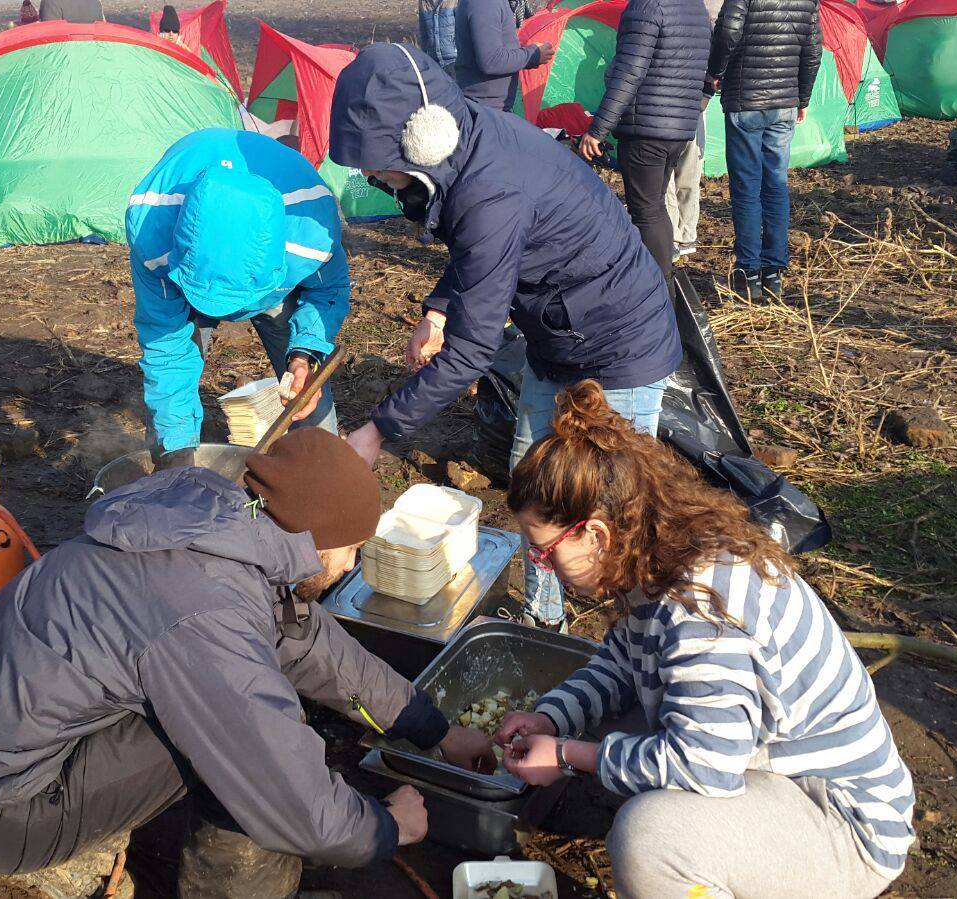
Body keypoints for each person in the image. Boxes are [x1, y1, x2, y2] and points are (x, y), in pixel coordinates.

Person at [0, 428, 495, 898]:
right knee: (250, 749)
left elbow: (309, 642)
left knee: (243, 702)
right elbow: (284, 788)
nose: (348, 567)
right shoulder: (204, 613)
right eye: (349, 551)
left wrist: (435, 730)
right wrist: (387, 827)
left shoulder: (218, 520)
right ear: (315, 542)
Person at [496, 381, 916, 898]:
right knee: (614, 722)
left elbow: (704, 767)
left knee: (650, 838)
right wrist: (552, 718)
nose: (540, 564)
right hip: (775, 774)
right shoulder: (652, 551)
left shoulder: (699, 608)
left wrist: (565, 755)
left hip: (843, 823)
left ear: (598, 534)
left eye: (544, 550)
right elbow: (623, 666)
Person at [329, 44, 683, 631]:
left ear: (423, 140)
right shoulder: (469, 146)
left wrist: (376, 431)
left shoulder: (489, 186)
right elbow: (482, 251)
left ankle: (642, 635)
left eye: (375, 165)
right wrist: (438, 311)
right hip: (558, 330)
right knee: (532, 474)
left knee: (610, 503)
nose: (372, 178)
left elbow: (471, 355)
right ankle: (545, 619)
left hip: (621, 341)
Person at [127, 129, 346, 455]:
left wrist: (305, 355)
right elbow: (165, 345)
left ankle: (316, 470)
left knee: (311, 416)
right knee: (170, 410)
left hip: (275, 291)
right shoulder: (152, 233)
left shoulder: (311, 231)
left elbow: (327, 292)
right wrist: (177, 460)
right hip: (186, 280)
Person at [576, 0, 711, 278]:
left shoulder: (647, 7)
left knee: (646, 212)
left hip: (645, 127)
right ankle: (662, 284)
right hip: (679, 127)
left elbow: (629, 72)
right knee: (655, 206)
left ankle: (657, 289)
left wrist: (598, 129)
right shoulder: (695, 7)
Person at [705, 0, 822, 299]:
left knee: (746, 189)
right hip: (784, 102)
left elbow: (729, 29)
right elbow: (812, 50)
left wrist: (715, 71)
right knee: (776, 186)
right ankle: (773, 273)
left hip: (746, 99)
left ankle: (749, 274)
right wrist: (803, 98)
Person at [665, 0, 727, 262]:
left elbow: (720, 48)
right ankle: (675, 234)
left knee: (682, 168)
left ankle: (683, 234)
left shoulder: (714, 7)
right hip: (678, 93)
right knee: (675, 168)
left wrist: (707, 91)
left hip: (687, 95)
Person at [454, 0, 554, 111]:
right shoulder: (485, 3)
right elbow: (491, 61)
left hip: (491, 108)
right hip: (482, 109)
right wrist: (533, 55)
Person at [38, 0, 104, 23]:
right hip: (94, 50)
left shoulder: (50, 2)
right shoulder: (96, 2)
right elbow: (103, 28)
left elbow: (50, 34)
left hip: (64, 51)